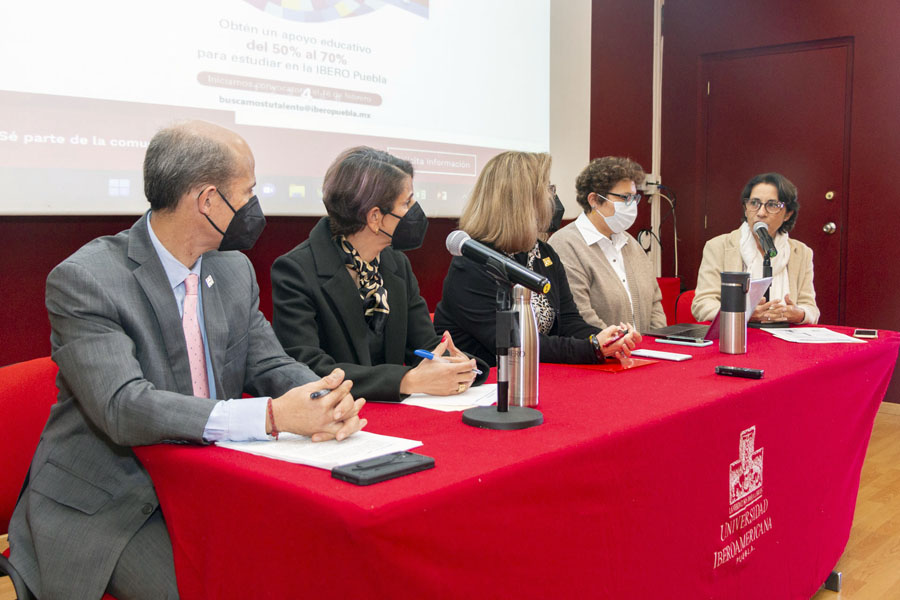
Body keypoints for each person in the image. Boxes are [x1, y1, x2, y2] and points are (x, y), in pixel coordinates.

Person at [8, 121, 366, 600]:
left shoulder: (233, 270)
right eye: (249, 191)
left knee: (306, 561)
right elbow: (123, 407)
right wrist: (271, 416)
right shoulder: (86, 279)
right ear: (209, 201)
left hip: (212, 483)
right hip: (114, 499)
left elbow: (270, 363)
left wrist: (323, 398)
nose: (256, 206)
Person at [271, 147, 487, 402]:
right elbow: (308, 368)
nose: (416, 211)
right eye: (407, 203)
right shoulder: (296, 271)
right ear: (375, 217)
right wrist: (407, 380)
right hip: (335, 418)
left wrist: (456, 364)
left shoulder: (396, 264)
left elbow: (424, 346)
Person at [433, 151, 640, 367]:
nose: (552, 198)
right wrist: (591, 348)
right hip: (482, 383)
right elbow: (515, 345)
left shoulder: (544, 253)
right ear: (521, 202)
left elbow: (569, 322)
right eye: (547, 189)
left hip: (536, 376)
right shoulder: (472, 263)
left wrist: (606, 338)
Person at [548, 156, 667, 333]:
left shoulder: (631, 244)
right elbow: (580, 314)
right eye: (625, 198)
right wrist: (619, 344)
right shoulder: (566, 245)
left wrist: (657, 345)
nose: (632, 205)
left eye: (635, 198)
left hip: (644, 355)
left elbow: (654, 303)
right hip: (601, 354)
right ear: (594, 200)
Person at [692, 172, 819, 324]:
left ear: (788, 214)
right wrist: (743, 313)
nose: (761, 213)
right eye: (754, 203)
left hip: (785, 336)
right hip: (737, 337)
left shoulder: (801, 252)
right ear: (746, 209)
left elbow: (810, 308)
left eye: (772, 205)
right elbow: (702, 305)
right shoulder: (719, 247)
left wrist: (799, 314)